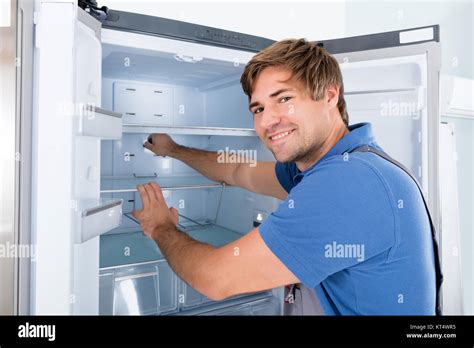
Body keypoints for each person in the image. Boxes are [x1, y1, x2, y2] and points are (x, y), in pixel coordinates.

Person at [132, 38, 438, 315]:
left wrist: (161, 227)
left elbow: (214, 279)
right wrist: (173, 149)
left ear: (329, 95)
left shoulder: (348, 185)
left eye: (284, 99)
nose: (267, 121)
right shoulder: (335, 163)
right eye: (258, 108)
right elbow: (237, 171)